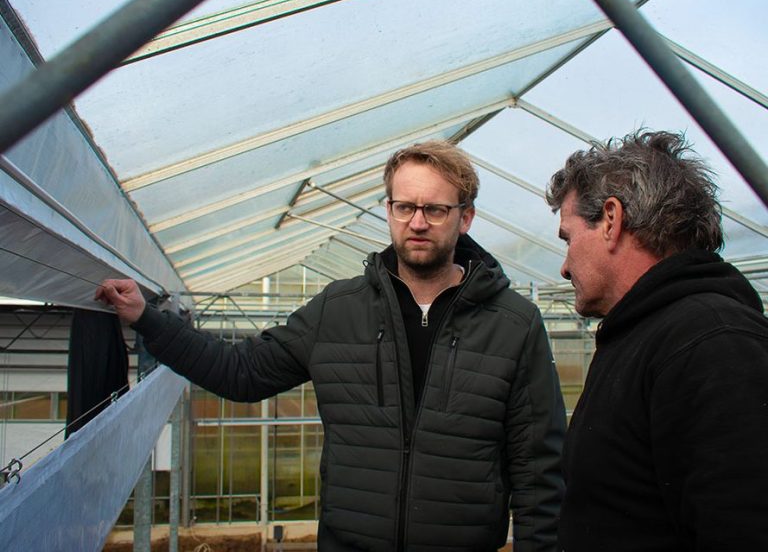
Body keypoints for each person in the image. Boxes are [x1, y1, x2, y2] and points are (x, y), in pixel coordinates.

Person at [97, 140, 566, 552]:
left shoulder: (513, 324)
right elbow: (240, 373)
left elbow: (537, 469)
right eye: (404, 207)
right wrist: (147, 319)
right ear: (388, 211)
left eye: (435, 209)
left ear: (465, 218)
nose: (417, 222)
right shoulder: (339, 310)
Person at [545, 129, 768, 551]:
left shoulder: (713, 344)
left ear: (611, 220)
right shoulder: (644, 335)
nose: (563, 266)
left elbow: (744, 524)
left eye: (568, 238)